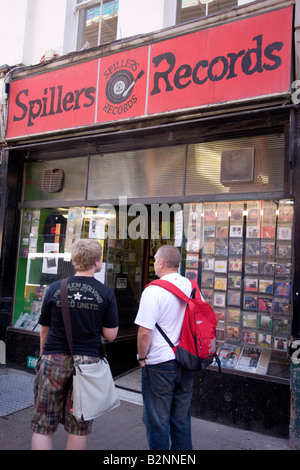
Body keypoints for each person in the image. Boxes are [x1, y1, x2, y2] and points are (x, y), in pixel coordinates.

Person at [31, 239, 119, 450]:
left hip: (53, 359)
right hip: (87, 364)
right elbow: (111, 335)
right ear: (97, 263)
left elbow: (44, 330)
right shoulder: (105, 293)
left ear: (74, 260)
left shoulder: (54, 288)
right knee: (78, 425)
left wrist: (44, 357)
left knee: (43, 424)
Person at [134, 245, 194, 450]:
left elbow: (144, 332)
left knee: (157, 422)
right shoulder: (192, 287)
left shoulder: (153, 290)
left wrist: (142, 358)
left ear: (160, 263)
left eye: (154, 260)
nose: (154, 264)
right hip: (186, 360)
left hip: (159, 363)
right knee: (182, 419)